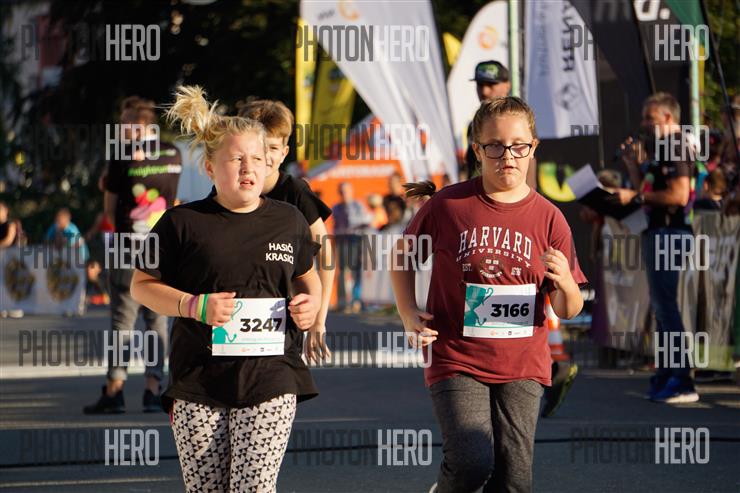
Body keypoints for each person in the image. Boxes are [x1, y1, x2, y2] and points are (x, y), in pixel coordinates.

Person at [131, 85, 321, 492]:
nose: (248, 167)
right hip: (198, 379)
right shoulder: (181, 223)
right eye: (236, 159)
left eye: (257, 158)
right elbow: (141, 286)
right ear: (210, 167)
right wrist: (193, 305)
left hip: (272, 376)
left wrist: (311, 306)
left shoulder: (289, 220)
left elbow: (309, 277)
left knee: (254, 487)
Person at [391, 97, 586, 492]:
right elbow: (403, 256)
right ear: (477, 150)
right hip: (456, 356)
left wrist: (566, 282)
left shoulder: (549, 218)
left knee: (514, 479)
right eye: (495, 146)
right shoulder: (449, 205)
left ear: (533, 147)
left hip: (524, 364)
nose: (507, 156)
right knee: (471, 462)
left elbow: (567, 309)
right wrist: (408, 312)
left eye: (518, 146)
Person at [207, 99, 334, 363]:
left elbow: (325, 255)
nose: (264, 157)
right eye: (258, 148)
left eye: (272, 148)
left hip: (281, 315)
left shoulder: (296, 193)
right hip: (231, 313)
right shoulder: (226, 188)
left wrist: (318, 320)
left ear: (285, 152)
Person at [83, 96, 182, 414]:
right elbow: (173, 201)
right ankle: (154, 389)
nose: (121, 128)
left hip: (128, 247)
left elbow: (109, 212)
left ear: (140, 123)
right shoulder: (174, 153)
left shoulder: (121, 156)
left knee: (122, 320)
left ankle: (115, 390)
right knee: (157, 319)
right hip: (163, 248)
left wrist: (109, 186)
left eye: (125, 122)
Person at [612, 92, 699, 403]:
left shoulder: (676, 144)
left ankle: (682, 379)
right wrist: (632, 166)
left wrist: (634, 197)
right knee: (661, 308)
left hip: (670, 232)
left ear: (668, 117)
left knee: (666, 307)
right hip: (657, 231)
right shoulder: (661, 149)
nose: (643, 124)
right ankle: (666, 374)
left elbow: (679, 195)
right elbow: (645, 189)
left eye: (649, 118)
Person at [464, 61, 511, 179]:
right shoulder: (473, 124)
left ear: (507, 85)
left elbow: (530, 163)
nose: (484, 91)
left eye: (491, 84)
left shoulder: (519, 122)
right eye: (480, 85)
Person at [332, 182, 371, 313]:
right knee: (343, 271)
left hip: (356, 240)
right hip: (342, 241)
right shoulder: (336, 207)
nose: (344, 194)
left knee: (357, 271)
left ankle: (356, 300)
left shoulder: (358, 206)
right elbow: (336, 226)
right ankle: (342, 302)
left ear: (351, 192)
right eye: (342, 192)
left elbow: (365, 222)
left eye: (346, 191)